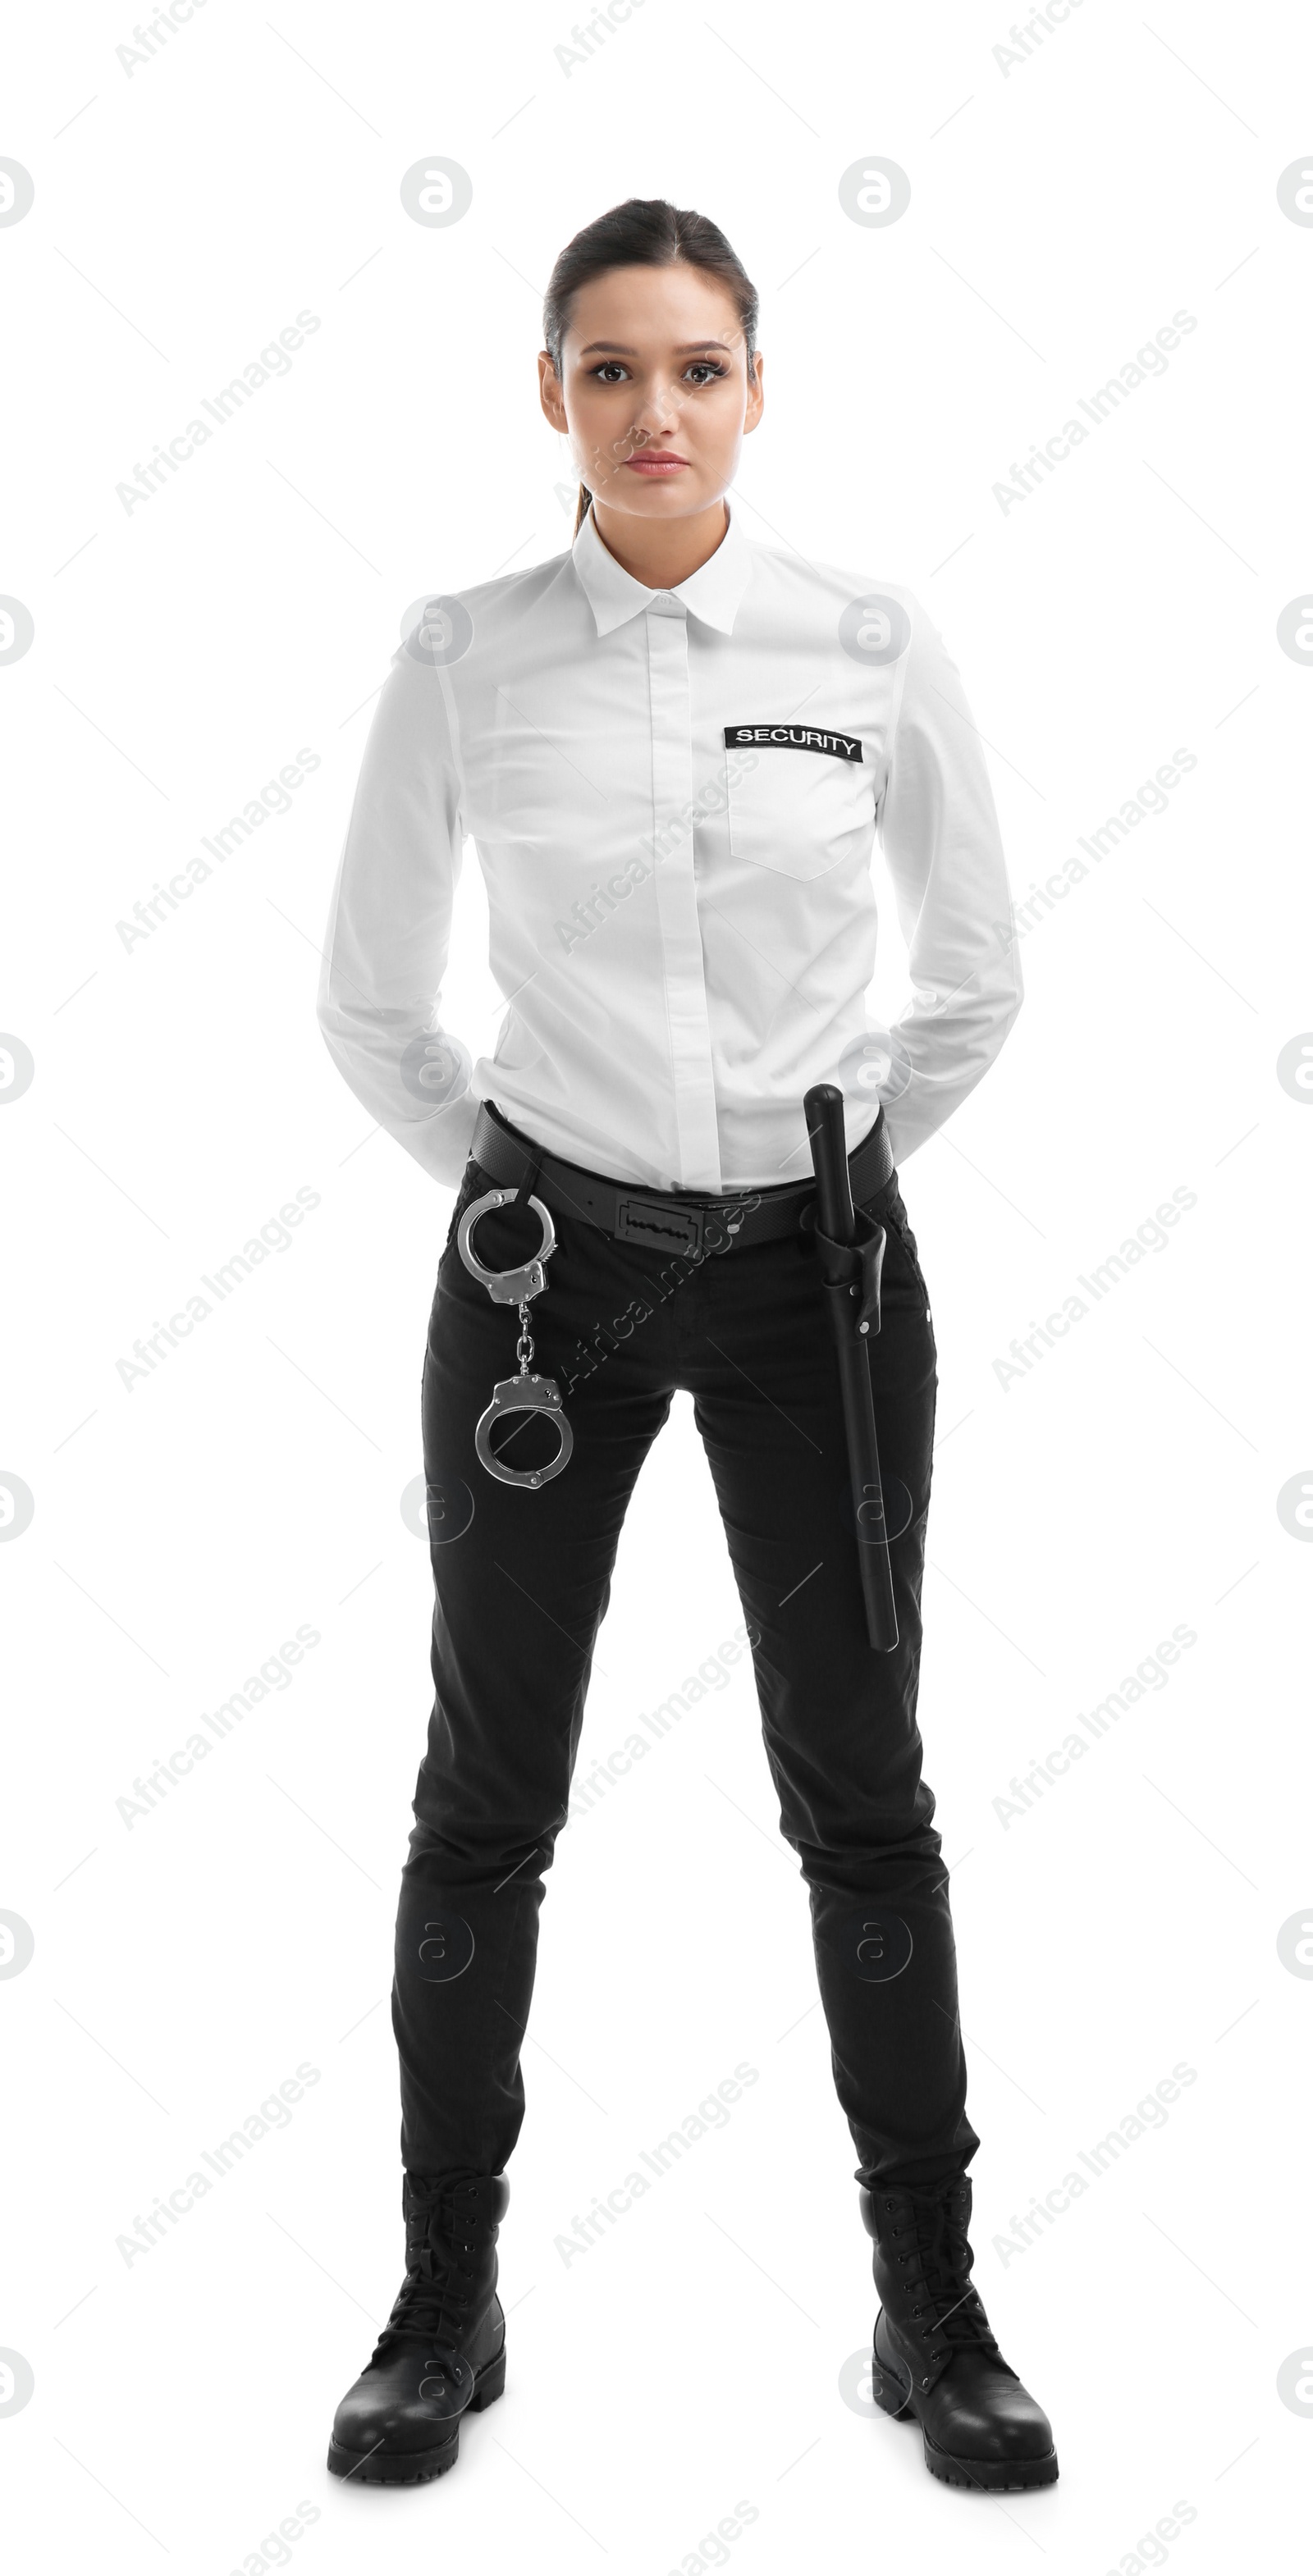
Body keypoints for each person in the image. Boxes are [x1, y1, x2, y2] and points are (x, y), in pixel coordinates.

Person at [315, 195, 1056, 2495]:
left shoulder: (863, 635)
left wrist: (822, 1181)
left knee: (865, 1790)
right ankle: (447, 2296)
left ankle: (929, 2303)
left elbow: (976, 977)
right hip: (544, 1274)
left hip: (814, 1286)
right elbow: (368, 998)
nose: (656, 411)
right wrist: (516, 1178)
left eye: (698, 368)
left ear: (757, 388)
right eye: (610, 368)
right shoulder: (463, 653)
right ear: (552, 392)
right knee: (485, 1797)